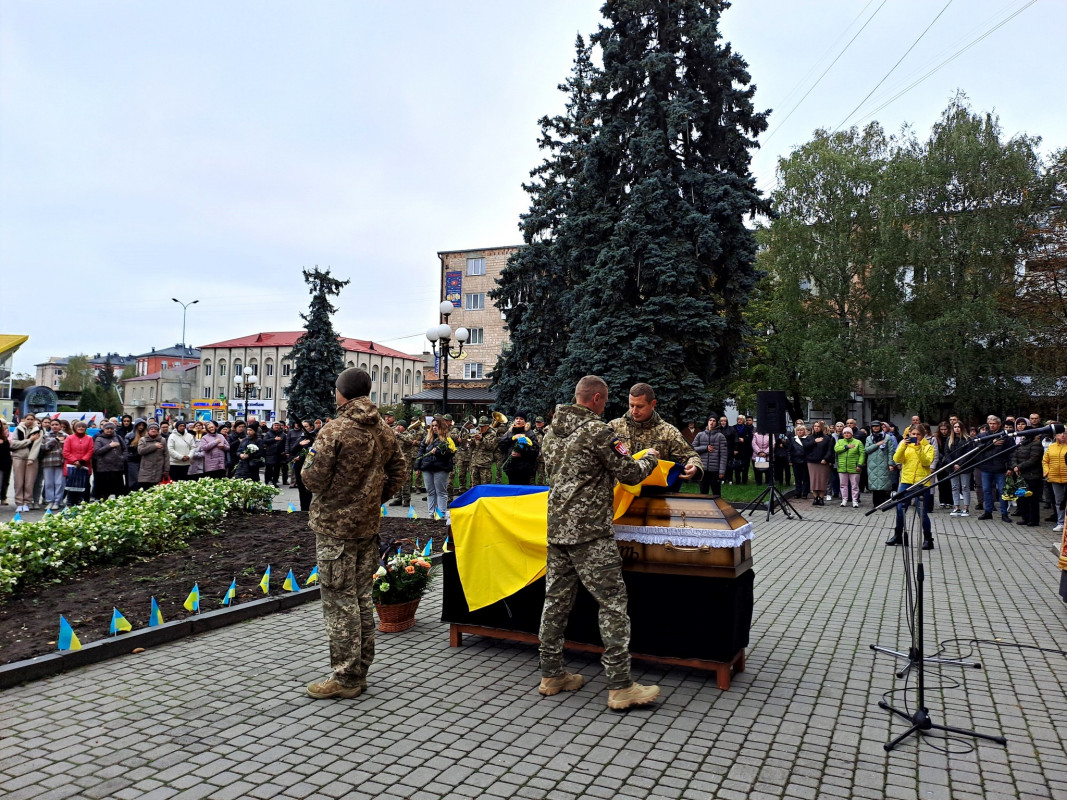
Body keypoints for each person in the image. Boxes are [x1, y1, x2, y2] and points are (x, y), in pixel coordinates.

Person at [539, 375, 661, 710]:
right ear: (595, 399)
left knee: (555, 602)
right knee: (612, 604)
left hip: (557, 529)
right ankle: (621, 686)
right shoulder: (599, 431)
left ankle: (551, 674)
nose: (606, 407)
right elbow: (631, 474)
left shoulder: (551, 432)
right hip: (590, 534)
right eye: (605, 401)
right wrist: (649, 455)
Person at [301, 367, 406, 700]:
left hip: (336, 528)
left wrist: (344, 496)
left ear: (341, 393)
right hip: (367, 526)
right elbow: (400, 470)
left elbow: (312, 478)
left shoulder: (335, 430)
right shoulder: (383, 430)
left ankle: (345, 677)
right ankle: (359, 671)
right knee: (361, 598)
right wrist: (373, 498)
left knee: (339, 601)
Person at [608, 383, 701, 485]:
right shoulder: (614, 427)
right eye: (631, 405)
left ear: (653, 404)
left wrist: (694, 465)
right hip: (619, 494)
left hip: (654, 495)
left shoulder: (668, 431)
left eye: (639, 406)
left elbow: (690, 455)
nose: (634, 411)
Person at [887, 423, 936, 550]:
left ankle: (928, 539)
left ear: (923, 435)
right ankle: (898, 535)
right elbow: (897, 458)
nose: (915, 436)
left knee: (922, 512)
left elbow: (926, 462)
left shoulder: (928, 447)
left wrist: (919, 448)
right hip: (906, 481)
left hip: (922, 482)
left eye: (918, 434)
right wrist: (903, 445)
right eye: (913, 434)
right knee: (900, 509)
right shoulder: (905, 445)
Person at [977, 415, 1013, 522]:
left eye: (994, 424)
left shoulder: (1006, 436)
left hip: (1001, 468)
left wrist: (1010, 467)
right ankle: (988, 511)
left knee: (1002, 491)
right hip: (986, 467)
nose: (992, 426)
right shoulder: (984, 435)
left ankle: (1004, 513)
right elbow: (978, 449)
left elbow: (1012, 453)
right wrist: (992, 444)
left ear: (999, 424)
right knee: (986, 490)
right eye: (990, 424)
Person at [417, 418, 454, 518]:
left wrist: (438, 452)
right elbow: (421, 451)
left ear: (441, 427)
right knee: (430, 491)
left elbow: (450, 453)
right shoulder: (427, 438)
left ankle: (441, 513)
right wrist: (417, 466)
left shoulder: (447, 439)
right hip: (427, 467)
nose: (434, 428)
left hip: (441, 468)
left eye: (436, 426)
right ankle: (431, 513)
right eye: (432, 426)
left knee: (440, 491)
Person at [1010, 424, 1043, 527]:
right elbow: (1014, 455)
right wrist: (1015, 466)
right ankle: (1025, 517)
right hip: (1021, 476)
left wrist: (1019, 467)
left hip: (1033, 476)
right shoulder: (1021, 444)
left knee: (1032, 499)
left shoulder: (1036, 444)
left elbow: (1033, 460)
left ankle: (1033, 520)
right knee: (1022, 498)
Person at [10, 413, 43, 512]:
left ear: (34, 420)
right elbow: (14, 444)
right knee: (18, 481)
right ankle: (19, 503)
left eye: (31, 419)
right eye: (27, 419)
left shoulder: (38, 430)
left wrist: (31, 458)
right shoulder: (18, 429)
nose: (29, 421)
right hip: (18, 457)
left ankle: (27, 502)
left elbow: (36, 446)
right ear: (24, 419)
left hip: (31, 459)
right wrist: (29, 440)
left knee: (29, 482)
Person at [499, 413, 540, 485]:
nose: (518, 420)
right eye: (517, 418)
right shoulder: (509, 432)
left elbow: (535, 451)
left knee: (524, 491)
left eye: (521, 419)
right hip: (511, 468)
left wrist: (522, 454)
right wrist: (512, 438)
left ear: (525, 421)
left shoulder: (530, 433)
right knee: (513, 491)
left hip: (524, 469)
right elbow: (501, 446)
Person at [692, 415, 727, 497]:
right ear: (707, 422)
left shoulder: (720, 436)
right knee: (703, 492)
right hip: (703, 469)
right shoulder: (700, 435)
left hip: (715, 470)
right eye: (710, 420)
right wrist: (705, 448)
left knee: (716, 493)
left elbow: (723, 455)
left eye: (714, 420)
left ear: (716, 423)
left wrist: (722, 471)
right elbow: (692, 449)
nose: (712, 422)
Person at [62, 420, 95, 506]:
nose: (81, 428)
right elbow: (66, 452)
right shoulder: (69, 438)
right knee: (72, 485)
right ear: (75, 428)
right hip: (71, 466)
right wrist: (75, 461)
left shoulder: (89, 438)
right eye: (79, 426)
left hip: (85, 465)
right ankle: (71, 503)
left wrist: (82, 461)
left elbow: (90, 451)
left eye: (83, 427)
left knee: (86, 485)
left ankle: (85, 503)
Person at [864, 421, 896, 508]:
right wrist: (877, 444)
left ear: (880, 427)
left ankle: (882, 503)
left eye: (877, 426)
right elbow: (867, 450)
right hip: (872, 464)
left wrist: (890, 463)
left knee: (883, 484)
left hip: (883, 464)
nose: (875, 428)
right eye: (873, 426)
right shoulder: (869, 438)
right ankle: (875, 504)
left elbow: (890, 451)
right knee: (874, 485)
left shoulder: (887, 437)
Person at [93, 421, 127, 500]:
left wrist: (123, 458)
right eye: (107, 428)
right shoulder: (99, 439)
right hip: (104, 469)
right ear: (104, 429)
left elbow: (125, 449)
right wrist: (109, 446)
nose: (109, 430)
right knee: (105, 490)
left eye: (111, 428)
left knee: (119, 490)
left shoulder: (118, 437)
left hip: (117, 468)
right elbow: (97, 451)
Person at [945, 421, 973, 517]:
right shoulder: (949, 439)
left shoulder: (967, 439)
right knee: (954, 487)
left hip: (964, 467)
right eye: (955, 427)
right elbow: (947, 453)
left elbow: (968, 454)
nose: (957, 428)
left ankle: (966, 508)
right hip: (952, 467)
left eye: (958, 427)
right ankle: (956, 507)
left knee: (965, 487)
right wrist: (953, 464)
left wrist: (960, 464)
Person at [40, 419, 69, 510]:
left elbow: (68, 448)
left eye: (57, 424)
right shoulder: (45, 436)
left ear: (60, 426)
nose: (54, 426)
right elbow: (43, 447)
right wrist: (55, 440)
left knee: (59, 483)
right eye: (52, 425)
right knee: (49, 483)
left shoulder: (66, 436)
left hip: (61, 462)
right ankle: (49, 501)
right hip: (48, 462)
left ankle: (57, 501)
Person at [1042, 427, 1066, 534]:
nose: (1063, 435)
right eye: (1060, 434)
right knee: (1059, 501)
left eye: (1065, 433)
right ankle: (1060, 523)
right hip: (1055, 477)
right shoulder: (1051, 447)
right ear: (1055, 436)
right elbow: (1045, 461)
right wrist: (1047, 471)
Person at [803, 421, 833, 506]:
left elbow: (830, 450)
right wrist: (815, 441)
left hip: (823, 462)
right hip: (812, 462)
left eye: (818, 426)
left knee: (822, 481)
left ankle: (821, 498)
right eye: (815, 426)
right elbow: (805, 446)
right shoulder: (809, 438)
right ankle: (815, 498)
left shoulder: (827, 438)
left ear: (822, 428)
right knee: (814, 481)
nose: (816, 428)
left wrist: (826, 459)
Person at [834, 427, 865, 507]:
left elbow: (862, 454)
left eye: (848, 433)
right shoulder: (840, 441)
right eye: (845, 433)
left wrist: (859, 464)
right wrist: (846, 447)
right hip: (842, 466)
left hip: (854, 467)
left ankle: (855, 500)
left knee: (854, 485)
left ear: (852, 434)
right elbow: (836, 449)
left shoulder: (858, 442)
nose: (846, 434)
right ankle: (844, 499)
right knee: (843, 485)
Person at [292, 419, 317, 511]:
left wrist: (302, 457)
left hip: (310, 467)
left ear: (311, 427)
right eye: (302, 426)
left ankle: (310, 509)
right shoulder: (301, 438)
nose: (303, 429)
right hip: (299, 466)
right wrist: (299, 444)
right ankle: (303, 509)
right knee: (301, 488)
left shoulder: (315, 438)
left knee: (309, 489)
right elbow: (292, 450)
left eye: (306, 426)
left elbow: (315, 451)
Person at [135, 421, 167, 489]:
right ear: (148, 431)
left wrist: (166, 469)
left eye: (155, 429)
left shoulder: (162, 440)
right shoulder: (143, 440)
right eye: (151, 429)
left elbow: (166, 455)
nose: (153, 430)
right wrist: (154, 446)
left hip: (158, 469)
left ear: (158, 431)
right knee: (145, 490)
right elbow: (140, 451)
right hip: (146, 470)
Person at [468, 417, 498, 487]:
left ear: (487, 426)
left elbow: (492, 447)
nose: (481, 428)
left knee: (485, 486)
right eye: (480, 426)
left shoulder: (492, 434)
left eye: (483, 426)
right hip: (475, 463)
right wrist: (471, 441)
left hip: (485, 464)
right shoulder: (477, 432)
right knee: (474, 486)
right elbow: (472, 447)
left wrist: (482, 439)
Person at [787, 424, 810, 499]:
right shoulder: (793, 439)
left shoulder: (808, 439)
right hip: (795, 461)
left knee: (805, 478)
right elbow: (789, 450)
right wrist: (790, 460)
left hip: (805, 461)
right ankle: (798, 492)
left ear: (804, 431)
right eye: (798, 430)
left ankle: (805, 493)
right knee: (797, 478)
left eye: (801, 430)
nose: (800, 432)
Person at [730, 414, 753, 485]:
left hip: (746, 449)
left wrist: (744, 439)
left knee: (746, 466)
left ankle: (744, 480)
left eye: (741, 419)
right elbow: (731, 438)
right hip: (736, 449)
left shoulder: (747, 428)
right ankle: (737, 480)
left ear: (744, 421)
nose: (739, 420)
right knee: (737, 465)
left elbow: (750, 438)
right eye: (738, 419)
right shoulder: (733, 428)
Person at [125, 418, 148, 491]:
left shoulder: (146, 436)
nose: (141, 427)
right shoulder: (130, 435)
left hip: (143, 459)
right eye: (139, 425)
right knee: (133, 479)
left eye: (142, 425)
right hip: (132, 460)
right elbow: (126, 447)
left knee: (142, 479)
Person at [262, 421, 286, 487]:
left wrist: (284, 451)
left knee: (277, 469)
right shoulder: (268, 433)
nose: (276, 426)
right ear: (272, 426)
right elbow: (265, 441)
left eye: (278, 425)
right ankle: (267, 481)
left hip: (279, 454)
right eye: (275, 425)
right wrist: (274, 439)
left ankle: (275, 482)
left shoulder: (283, 434)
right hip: (270, 453)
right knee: (268, 468)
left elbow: (285, 443)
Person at [0, 419, 11, 506]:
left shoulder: (5, 437)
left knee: (4, 481)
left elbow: (7, 451)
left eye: (3, 424)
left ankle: (3, 497)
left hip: (4, 463)